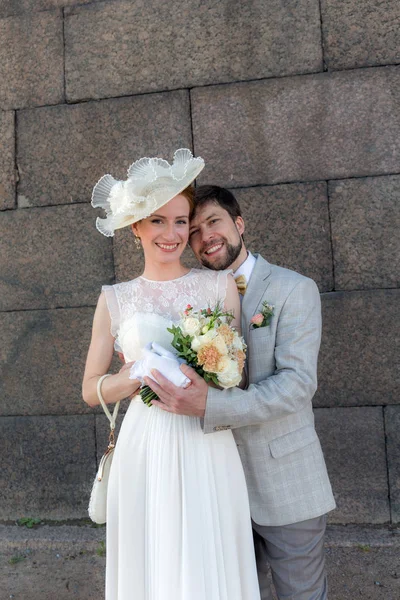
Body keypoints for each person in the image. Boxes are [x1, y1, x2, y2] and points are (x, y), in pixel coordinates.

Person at [82, 152, 261, 600]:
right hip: (144, 443)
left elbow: (236, 376)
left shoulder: (217, 286)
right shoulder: (114, 298)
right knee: (152, 556)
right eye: (158, 222)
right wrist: (133, 378)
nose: (173, 234)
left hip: (206, 440)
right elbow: (90, 389)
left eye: (181, 222)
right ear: (136, 227)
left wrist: (215, 371)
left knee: (207, 555)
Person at [146, 185, 336, 600]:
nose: (204, 236)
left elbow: (297, 385)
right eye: (193, 230)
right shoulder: (188, 299)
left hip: (285, 480)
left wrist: (210, 404)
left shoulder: (293, 289)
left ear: (239, 224)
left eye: (213, 222)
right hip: (215, 483)